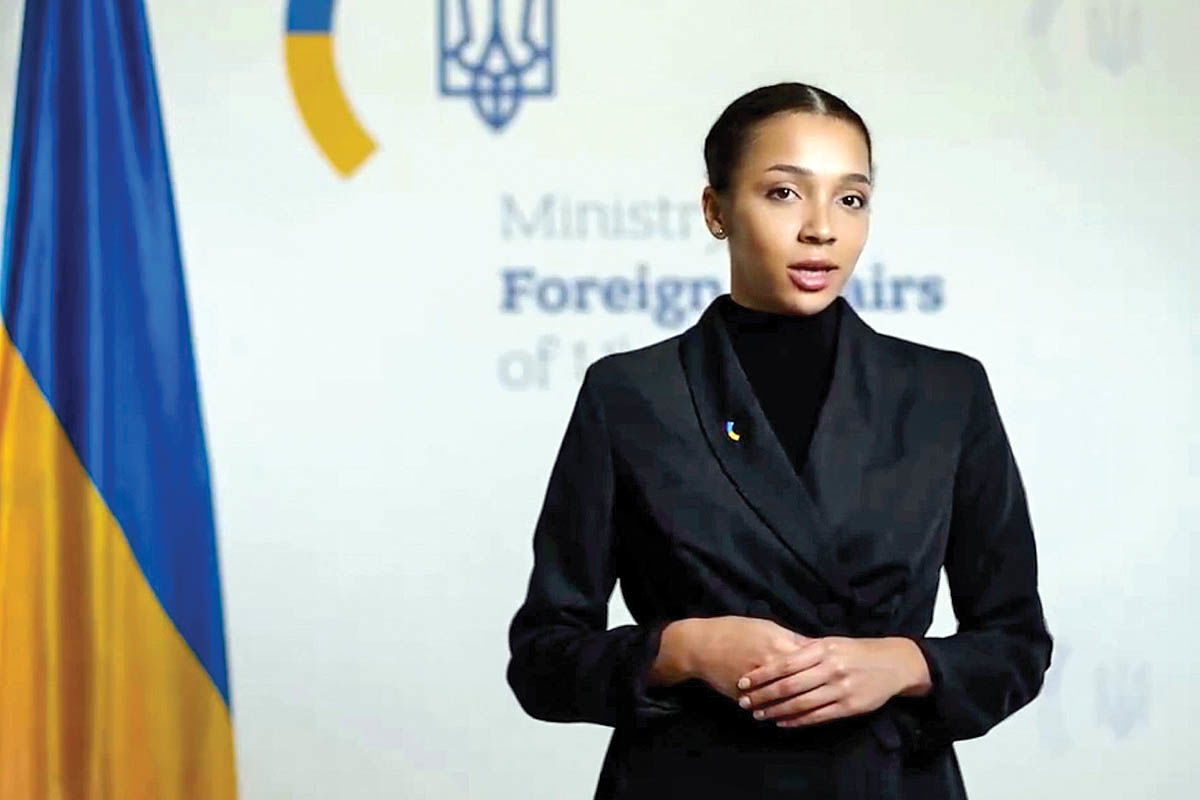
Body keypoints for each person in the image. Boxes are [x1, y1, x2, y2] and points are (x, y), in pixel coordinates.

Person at [505, 82, 1052, 800]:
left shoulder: (948, 392)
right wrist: (682, 649)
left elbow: (1016, 643)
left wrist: (904, 663)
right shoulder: (630, 394)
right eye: (784, 193)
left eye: (850, 199)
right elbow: (543, 659)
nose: (821, 228)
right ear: (716, 210)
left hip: (885, 781)